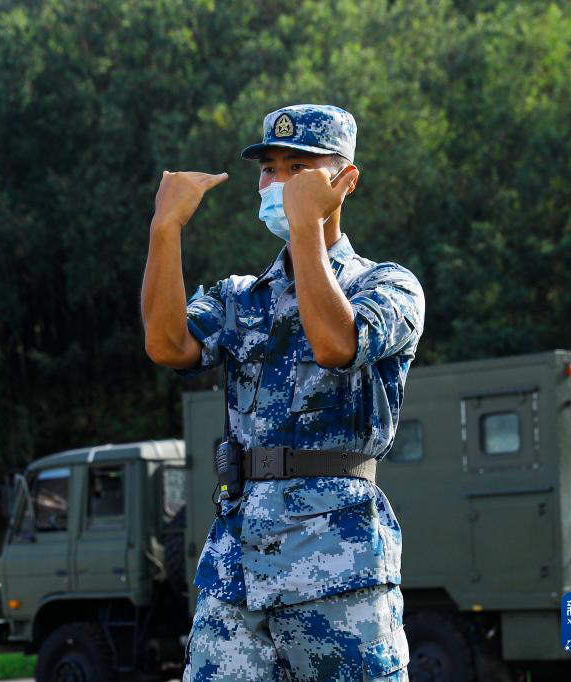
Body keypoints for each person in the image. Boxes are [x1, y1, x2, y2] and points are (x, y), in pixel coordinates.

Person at [140, 104, 424, 681]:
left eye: (299, 169)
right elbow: (168, 346)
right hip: (236, 564)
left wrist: (305, 231)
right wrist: (164, 231)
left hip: (336, 562)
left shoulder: (388, 285)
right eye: (269, 168)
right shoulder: (240, 295)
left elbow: (335, 344)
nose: (277, 183)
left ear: (345, 181)